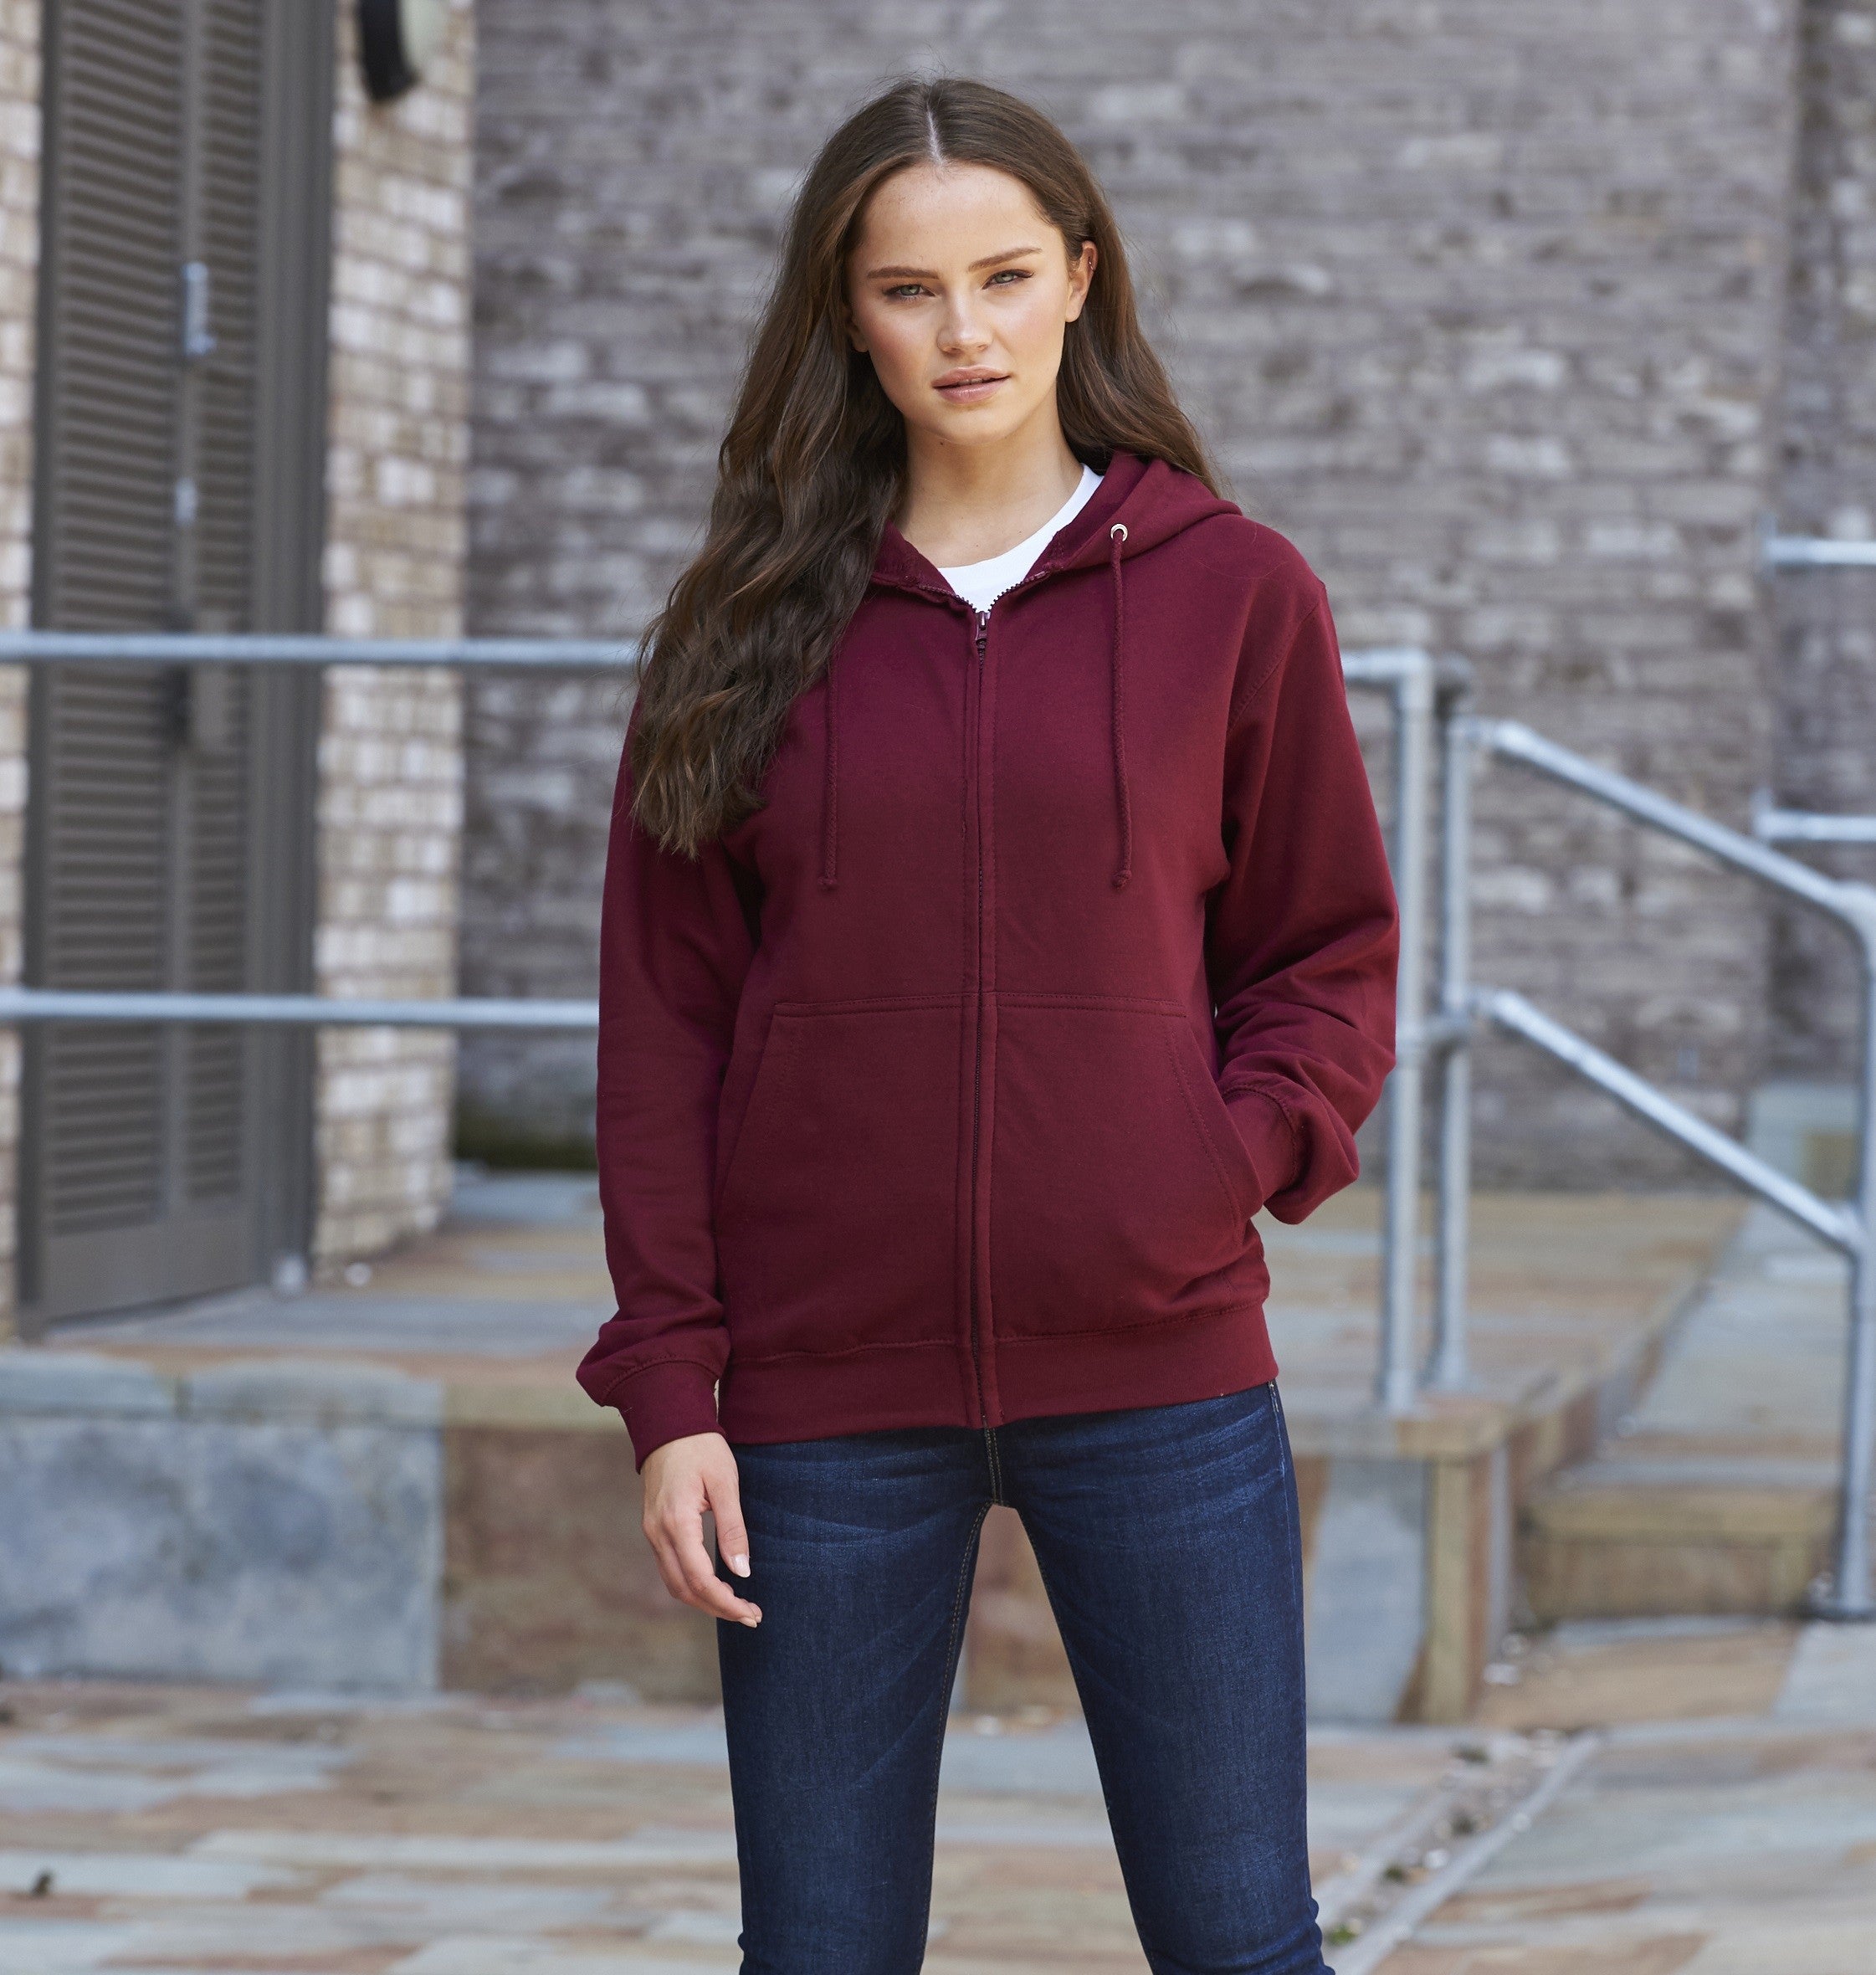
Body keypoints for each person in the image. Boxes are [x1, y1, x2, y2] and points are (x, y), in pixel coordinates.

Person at [577, 73, 1398, 1975]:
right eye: (908, 289)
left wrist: (1209, 1161)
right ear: (846, 315)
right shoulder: (740, 624)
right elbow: (662, 1031)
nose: (964, 331)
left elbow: (1323, 951)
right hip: (818, 1397)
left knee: (1238, 1941)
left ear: (1079, 279)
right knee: (821, 1952)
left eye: (1004, 276)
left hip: (1160, 1369)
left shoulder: (1234, 592)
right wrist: (673, 1394)